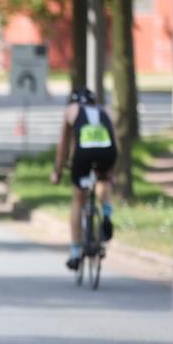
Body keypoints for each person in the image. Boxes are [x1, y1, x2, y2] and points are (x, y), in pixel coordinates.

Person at [50, 87, 118, 270]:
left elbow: (63, 146)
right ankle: (106, 214)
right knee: (103, 181)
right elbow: (114, 141)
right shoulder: (105, 110)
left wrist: (57, 170)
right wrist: (113, 172)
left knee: (78, 200)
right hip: (107, 153)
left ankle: (74, 251)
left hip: (84, 155)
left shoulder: (71, 111)